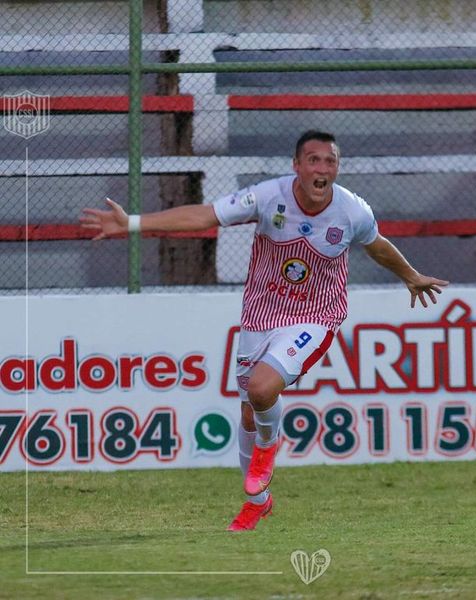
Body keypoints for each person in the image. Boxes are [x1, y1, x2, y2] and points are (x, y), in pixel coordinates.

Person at [80, 130, 449, 531]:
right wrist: (132, 222)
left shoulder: (352, 211)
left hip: (316, 316)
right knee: (248, 413)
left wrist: (409, 275)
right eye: (313, 160)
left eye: (330, 161)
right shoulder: (268, 197)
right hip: (260, 317)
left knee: (260, 388)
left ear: (336, 168)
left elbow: (375, 245)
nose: (322, 168)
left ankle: (269, 448)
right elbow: (205, 215)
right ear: (297, 166)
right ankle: (257, 501)